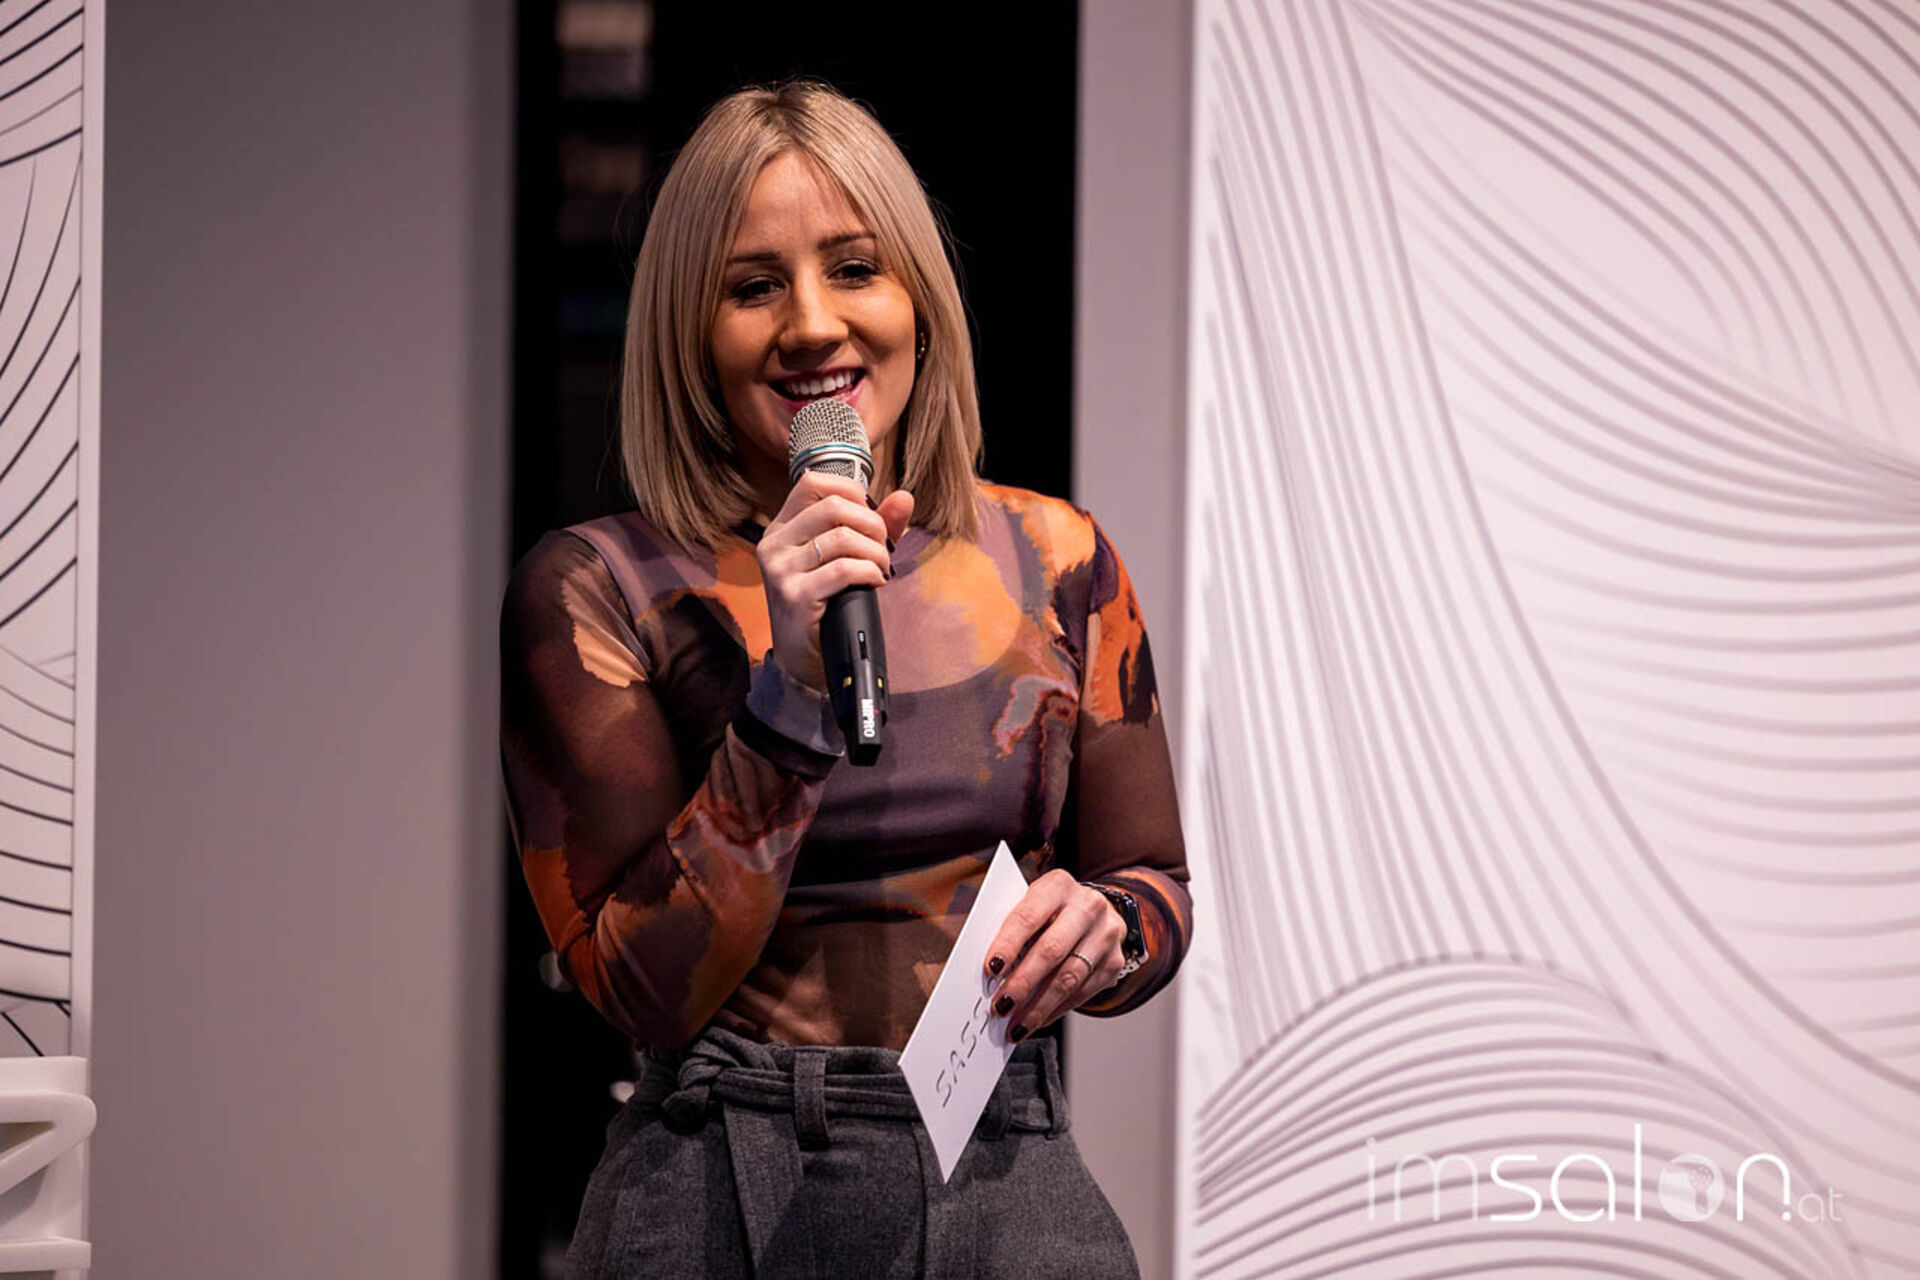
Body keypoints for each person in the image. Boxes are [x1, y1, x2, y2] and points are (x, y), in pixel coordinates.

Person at [498, 79, 1193, 1279]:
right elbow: (636, 989)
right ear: (688, 333)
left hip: (1003, 1160)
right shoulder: (596, 586)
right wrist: (790, 694)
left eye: (855, 268)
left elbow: (1156, 884)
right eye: (753, 286)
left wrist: (1109, 927)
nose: (813, 323)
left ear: (918, 301)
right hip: (719, 1176)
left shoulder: (1062, 559)